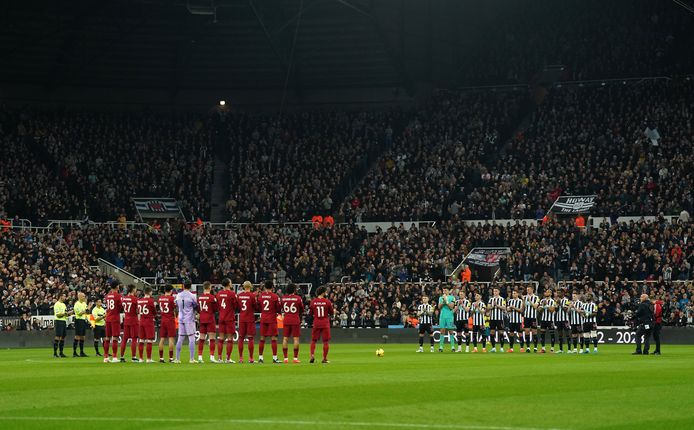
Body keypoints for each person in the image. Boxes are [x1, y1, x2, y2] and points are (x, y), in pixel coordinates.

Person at [258, 280, 282, 364]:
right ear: (272, 287)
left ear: (265, 287)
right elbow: (278, 308)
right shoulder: (275, 296)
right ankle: (275, 358)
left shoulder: (261, 296)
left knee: (262, 339)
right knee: (274, 339)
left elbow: (259, 306)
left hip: (264, 318)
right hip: (272, 318)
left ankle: (260, 358)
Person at [175, 282, 198, 363]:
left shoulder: (178, 295)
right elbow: (196, 306)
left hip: (180, 318)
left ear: (183, 286)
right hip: (189, 319)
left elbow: (177, 305)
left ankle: (177, 359)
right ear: (190, 286)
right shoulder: (193, 296)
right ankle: (191, 359)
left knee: (180, 338)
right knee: (191, 338)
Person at [309, 286, 334, 363]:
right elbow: (332, 313)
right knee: (325, 341)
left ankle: (312, 355)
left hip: (316, 322)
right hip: (325, 322)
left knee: (313, 340)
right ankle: (324, 358)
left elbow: (310, 313)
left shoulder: (313, 301)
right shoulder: (327, 301)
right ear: (323, 292)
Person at [216, 278, 238, 363]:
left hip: (221, 318)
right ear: (229, 284)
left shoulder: (218, 294)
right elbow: (235, 306)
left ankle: (219, 358)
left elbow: (218, 306)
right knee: (229, 339)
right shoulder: (232, 294)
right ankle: (228, 359)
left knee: (221, 338)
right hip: (229, 318)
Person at [281, 283, 304, 363]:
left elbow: (281, 307)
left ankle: (285, 358)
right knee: (296, 339)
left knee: (285, 338)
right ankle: (295, 358)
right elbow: (302, 309)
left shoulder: (283, 298)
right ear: (294, 290)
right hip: (295, 320)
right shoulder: (298, 298)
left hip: (286, 319)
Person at [237, 281, 258, 364]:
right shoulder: (252, 296)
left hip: (242, 318)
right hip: (250, 318)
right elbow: (256, 307)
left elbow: (238, 307)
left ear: (243, 287)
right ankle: (251, 358)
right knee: (250, 338)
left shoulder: (239, 296)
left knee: (241, 338)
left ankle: (241, 358)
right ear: (251, 286)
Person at [197, 282, 218, 363]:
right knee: (212, 338)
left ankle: (199, 357)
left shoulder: (199, 298)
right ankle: (212, 357)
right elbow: (216, 309)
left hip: (202, 319)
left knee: (201, 338)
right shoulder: (212, 297)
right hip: (210, 319)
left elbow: (198, 309)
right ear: (210, 288)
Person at [119, 285, 140, 362]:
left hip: (126, 320)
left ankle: (122, 357)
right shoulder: (135, 299)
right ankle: (133, 357)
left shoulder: (123, 299)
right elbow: (138, 311)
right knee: (134, 338)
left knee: (124, 339)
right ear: (133, 290)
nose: (136, 291)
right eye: (135, 289)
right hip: (133, 320)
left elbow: (121, 308)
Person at [137, 287, 157, 363]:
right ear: (150, 292)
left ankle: (141, 358)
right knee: (149, 340)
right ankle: (148, 359)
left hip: (141, 321)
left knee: (141, 340)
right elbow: (154, 312)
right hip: (148, 321)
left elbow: (138, 311)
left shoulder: (139, 301)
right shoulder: (151, 301)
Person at [104, 282, 123, 363]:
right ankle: (114, 357)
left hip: (108, 318)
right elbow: (121, 307)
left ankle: (105, 357)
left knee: (107, 338)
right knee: (115, 338)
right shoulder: (118, 296)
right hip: (115, 318)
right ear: (117, 287)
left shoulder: (107, 296)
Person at [157, 285, 176, 363]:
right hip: (170, 320)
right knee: (171, 339)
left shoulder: (160, 298)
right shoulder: (171, 298)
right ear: (171, 290)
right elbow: (174, 307)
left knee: (162, 339)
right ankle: (171, 358)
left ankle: (161, 358)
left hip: (163, 319)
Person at [437, 287, 456, 352]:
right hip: (442, 316)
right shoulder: (440, 298)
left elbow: (451, 306)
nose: (444, 291)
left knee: (451, 331)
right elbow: (439, 307)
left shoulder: (452, 297)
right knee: (442, 331)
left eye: (445, 290)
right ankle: (441, 347)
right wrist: (443, 301)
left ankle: (453, 347)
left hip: (449, 316)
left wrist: (446, 301)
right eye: (443, 290)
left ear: (448, 291)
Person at [487, 287, 506, 353]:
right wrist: (492, 306)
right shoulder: (491, 299)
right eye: (494, 291)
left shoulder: (502, 299)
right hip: (492, 318)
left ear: (499, 292)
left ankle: (501, 348)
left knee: (501, 332)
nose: (494, 292)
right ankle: (493, 348)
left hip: (499, 318)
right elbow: (488, 308)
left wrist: (497, 305)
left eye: (496, 291)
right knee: (492, 332)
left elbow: (504, 308)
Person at [522, 285, 540, 353]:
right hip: (526, 317)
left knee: (534, 332)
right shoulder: (525, 297)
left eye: (529, 289)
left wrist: (530, 301)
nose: (527, 291)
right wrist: (523, 301)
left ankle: (535, 347)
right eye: (527, 289)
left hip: (533, 317)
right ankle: (528, 347)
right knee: (526, 331)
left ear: (532, 289)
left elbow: (535, 306)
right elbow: (523, 308)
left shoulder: (536, 297)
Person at [53, 294, 71, 358]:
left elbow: (65, 314)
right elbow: (58, 315)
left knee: (63, 337)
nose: (65, 297)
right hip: (58, 321)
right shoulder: (57, 304)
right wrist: (65, 313)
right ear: (61, 297)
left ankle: (61, 353)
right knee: (58, 336)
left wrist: (69, 314)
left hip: (64, 321)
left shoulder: (63, 304)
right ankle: (55, 353)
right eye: (64, 296)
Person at [538, 289, 556, 353]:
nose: (546, 293)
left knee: (552, 334)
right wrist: (542, 306)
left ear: (551, 294)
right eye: (545, 292)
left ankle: (552, 349)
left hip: (550, 320)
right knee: (542, 334)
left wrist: (546, 305)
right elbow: (539, 311)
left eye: (548, 292)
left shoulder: (553, 301)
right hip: (543, 320)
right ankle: (543, 348)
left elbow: (552, 310)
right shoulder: (542, 301)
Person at [72, 292, 89, 357]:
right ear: (79, 297)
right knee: (77, 336)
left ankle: (81, 352)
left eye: (84, 296)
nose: (84, 297)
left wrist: (87, 310)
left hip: (83, 320)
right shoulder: (77, 304)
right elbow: (79, 313)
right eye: (83, 296)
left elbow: (86, 311)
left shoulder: (84, 303)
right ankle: (74, 352)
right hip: (78, 320)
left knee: (83, 337)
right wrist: (86, 310)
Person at [554, 289, 571, 354]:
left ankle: (569, 349)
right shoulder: (557, 300)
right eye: (557, 293)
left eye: (559, 293)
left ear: (563, 293)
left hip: (565, 320)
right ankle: (561, 349)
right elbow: (556, 310)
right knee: (560, 335)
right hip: (558, 320)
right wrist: (557, 304)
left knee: (567, 334)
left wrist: (560, 303)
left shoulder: (567, 300)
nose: (558, 294)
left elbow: (565, 310)